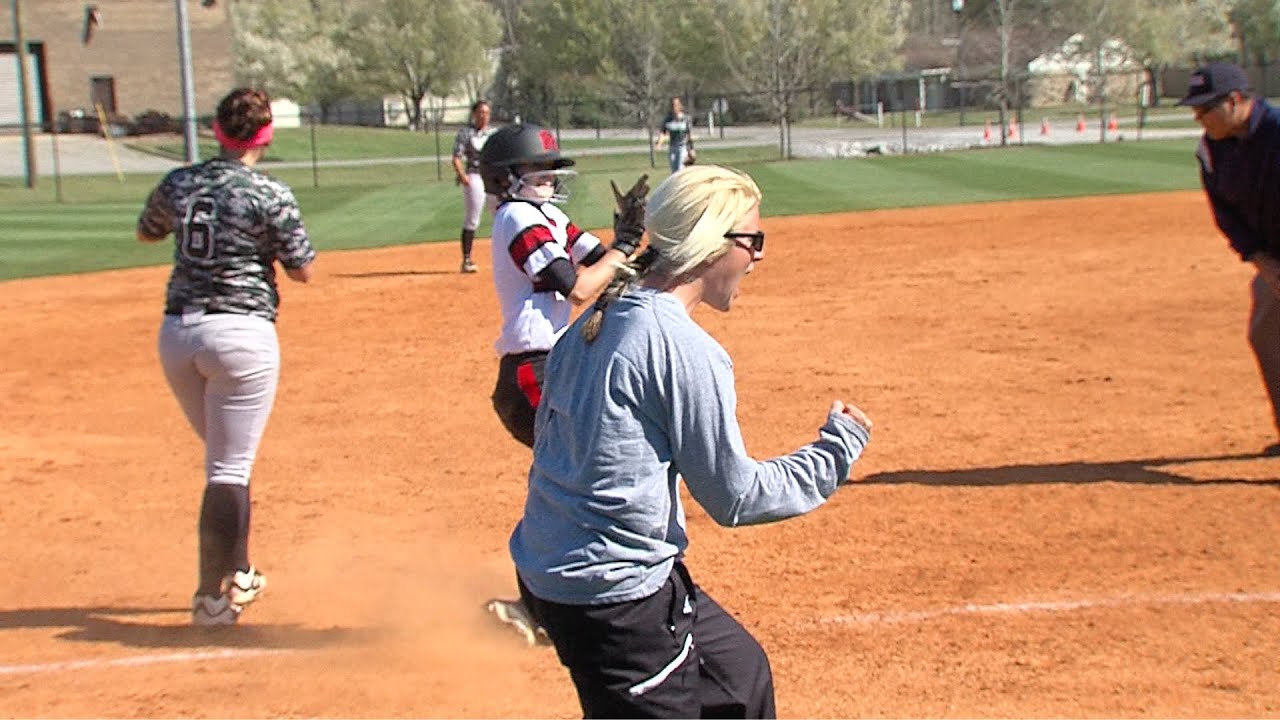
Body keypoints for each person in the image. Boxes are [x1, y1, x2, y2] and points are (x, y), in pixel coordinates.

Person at [507, 164, 873, 717]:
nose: (760, 256)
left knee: (738, 677)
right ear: (711, 246)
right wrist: (835, 451)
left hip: (558, 566)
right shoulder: (679, 346)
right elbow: (735, 497)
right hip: (612, 600)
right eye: (752, 241)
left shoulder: (600, 316)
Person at [136, 87, 317, 626]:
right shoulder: (269, 192)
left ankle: (238, 571)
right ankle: (210, 599)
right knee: (228, 466)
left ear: (218, 131)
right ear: (264, 135)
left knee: (225, 461)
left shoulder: (181, 181)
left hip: (179, 334)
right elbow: (303, 268)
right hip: (241, 335)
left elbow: (148, 232)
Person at [477, 122, 645, 644]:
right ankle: (538, 604)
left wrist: (637, 243)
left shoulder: (548, 216)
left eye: (552, 168)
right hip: (532, 370)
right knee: (568, 480)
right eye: (537, 168)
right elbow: (577, 287)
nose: (549, 176)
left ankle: (552, 601)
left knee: (578, 478)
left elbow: (606, 263)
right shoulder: (516, 218)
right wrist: (625, 249)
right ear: (507, 178)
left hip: (557, 365)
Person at [1180, 62, 1280, 455]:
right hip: (1272, 257)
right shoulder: (1211, 151)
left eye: (1205, 109)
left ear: (1235, 101)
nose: (1198, 118)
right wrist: (1259, 259)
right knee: (1266, 334)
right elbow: (1226, 214)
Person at [451, 100, 496, 273]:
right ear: (474, 114)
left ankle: (506, 257)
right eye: (480, 112)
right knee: (473, 218)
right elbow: (456, 156)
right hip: (475, 175)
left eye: (487, 112)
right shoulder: (466, 133)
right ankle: (467, 259)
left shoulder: (492, 133)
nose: (484, 116)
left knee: (500, 216)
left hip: (491, 176)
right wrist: (462, 175)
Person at [657, 96, 695, 174]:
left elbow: (689, 135)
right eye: (673, 105)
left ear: (680, 106)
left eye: (676, 105)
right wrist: (659, 144)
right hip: (672, 147)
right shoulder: (668, 119)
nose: (675, 107)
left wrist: (691, 149)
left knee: (680, 169)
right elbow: (663, 133)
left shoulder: (685, 119)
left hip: (682, 147)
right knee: (674, 171)